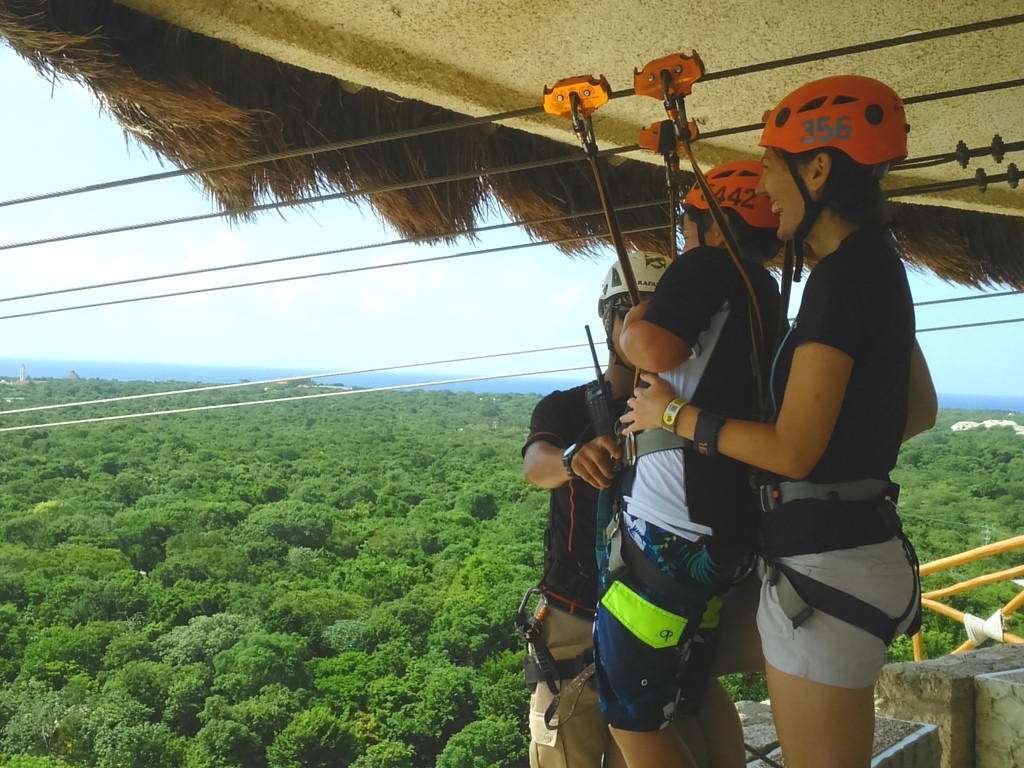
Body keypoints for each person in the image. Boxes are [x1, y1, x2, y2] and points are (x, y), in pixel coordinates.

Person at [621, 75, 938, 768]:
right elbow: (917, 410)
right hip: (855, 549)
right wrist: (843, 448)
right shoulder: (878, 270)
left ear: (818, 167)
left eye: (771, 166)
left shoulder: (840, 281)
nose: (765, 189)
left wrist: (673, 414)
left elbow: (793, 451)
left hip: (826, 564)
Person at [594, 160, 781, 768]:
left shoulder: (708, 266)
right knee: (691, 693)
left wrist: (636, 320)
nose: (682, 237)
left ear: (714, 223)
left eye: (688, 223)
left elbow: (649, 346)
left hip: (671, 532)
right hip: (724, 531)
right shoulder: (765, 291)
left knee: (632, 712)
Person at [519, 249, 669, 768]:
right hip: (573, 613)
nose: (643, 323)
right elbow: (537, 466)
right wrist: (572, 457)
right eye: (631, 309)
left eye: (658, 310)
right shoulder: (566, 409)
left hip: (654, 619)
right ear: (608, 318)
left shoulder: (683, 417)